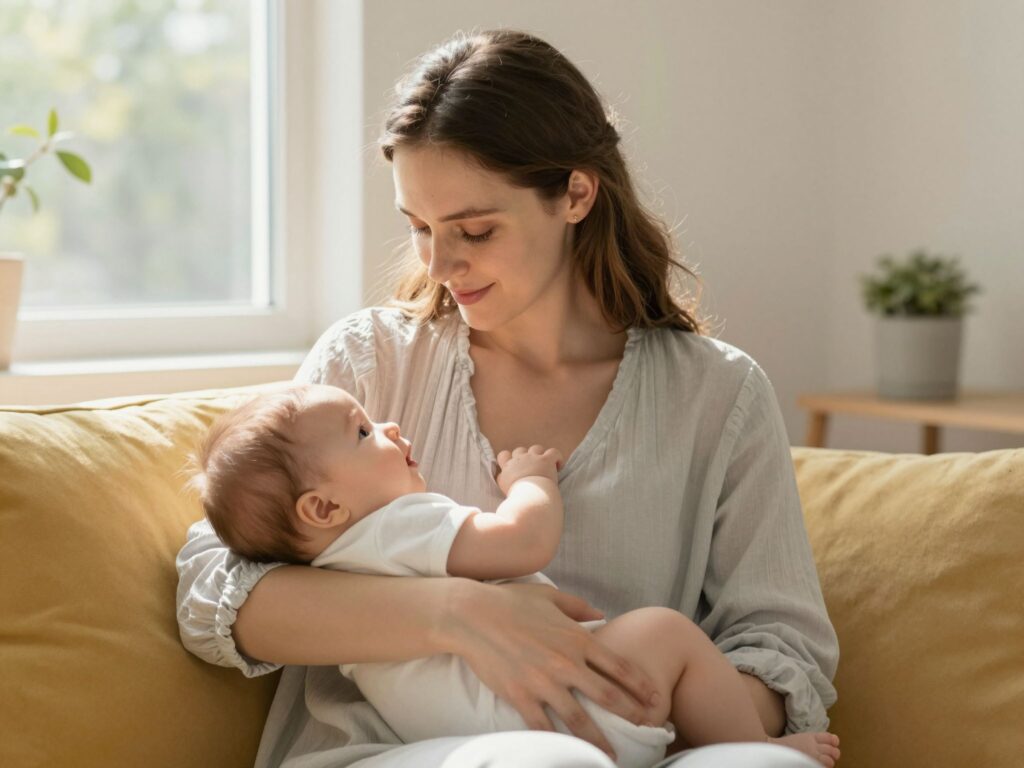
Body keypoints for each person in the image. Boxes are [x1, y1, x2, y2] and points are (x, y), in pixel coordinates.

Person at [176, 28, 840, 768]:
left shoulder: (718, 394)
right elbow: (217, 591)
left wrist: (642, 699)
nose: (440, 263)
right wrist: (460, 613)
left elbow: (783, 651)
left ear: (576, 195)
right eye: (419, 228)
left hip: (642, 747)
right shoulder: (369, 362)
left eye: (475, 230)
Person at [187, 383, 840, 768]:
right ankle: (752, 742)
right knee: (665, 632)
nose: (386, 425)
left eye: (476, 229)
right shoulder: (395, 525)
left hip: (465, 733)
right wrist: (531, 484)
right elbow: (522, 542)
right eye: (362, 432)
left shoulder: (326, 562)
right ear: (324, 508)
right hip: (544, 713)